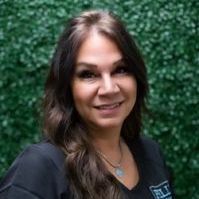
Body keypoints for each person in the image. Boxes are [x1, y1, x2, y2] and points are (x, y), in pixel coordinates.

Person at [0, 10, 174, 199]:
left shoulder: (151, 153)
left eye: (121, 70)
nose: (109, 89)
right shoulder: (40, 167)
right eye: (88, 74)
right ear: (67, 87)